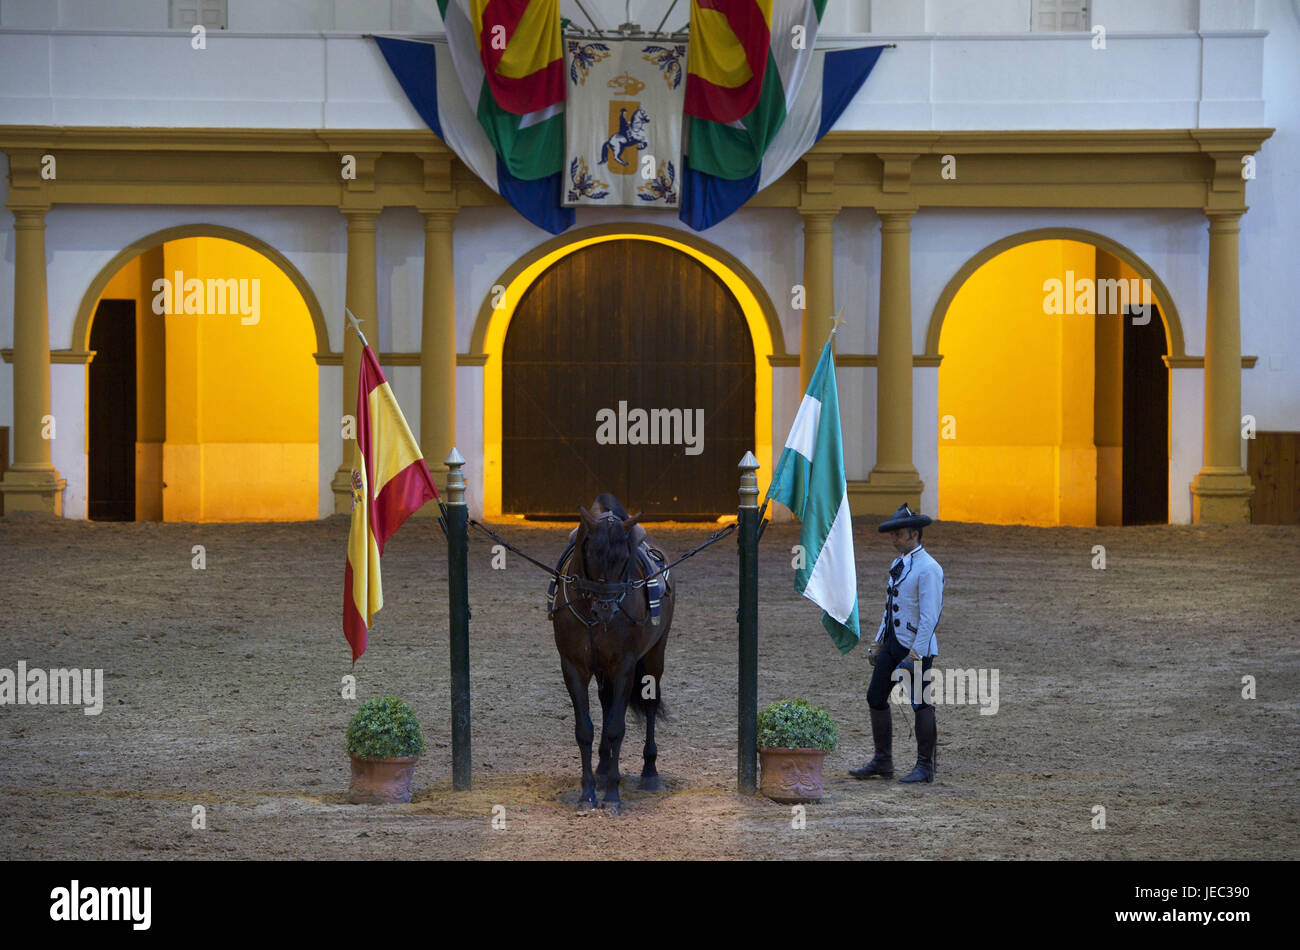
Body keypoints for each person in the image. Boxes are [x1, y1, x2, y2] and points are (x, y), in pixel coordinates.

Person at [850, 503, 944, 784]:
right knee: (875, 697)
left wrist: (917, 652)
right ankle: (883, 760)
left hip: (914, 647)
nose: (893, 538)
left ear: (914, 534)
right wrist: (879, 641)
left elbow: (930, 616)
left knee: (921, 703)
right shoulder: (898, 564)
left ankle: (925, 767)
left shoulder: (928, 568)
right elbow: (890, 607)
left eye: (898, 534)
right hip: (893, 643)